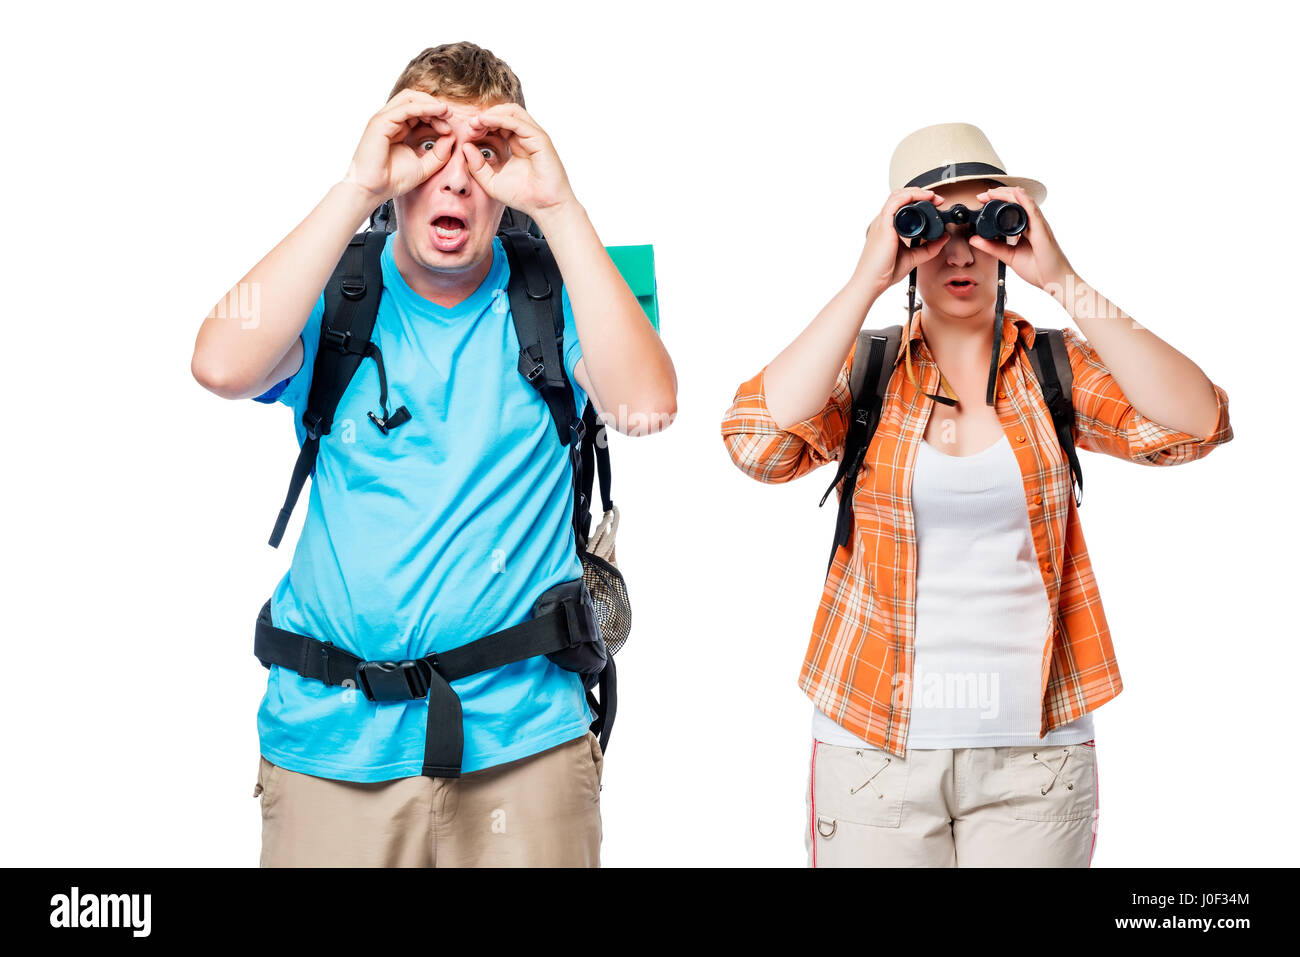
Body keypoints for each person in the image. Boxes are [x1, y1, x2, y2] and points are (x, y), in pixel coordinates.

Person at [192, 41, 677, 867]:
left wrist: (559, 208)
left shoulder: (565, 288)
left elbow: (647, 403)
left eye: (484, 156)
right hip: (331, 746)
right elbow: (219, 363)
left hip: (526, 747)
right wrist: (356, 189)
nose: (454, 177)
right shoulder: (336, 292)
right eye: (425, 147)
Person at [719, 122, 1232, 867]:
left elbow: (1197, 420)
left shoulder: (1050, 367)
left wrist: (1062, 278)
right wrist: (866, 277)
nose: (959, 249)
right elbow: (754, 442)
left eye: (983, 222)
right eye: (932, 224)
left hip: (1036, 761)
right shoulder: (869, 371)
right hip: (873, 754)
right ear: (903, 238)